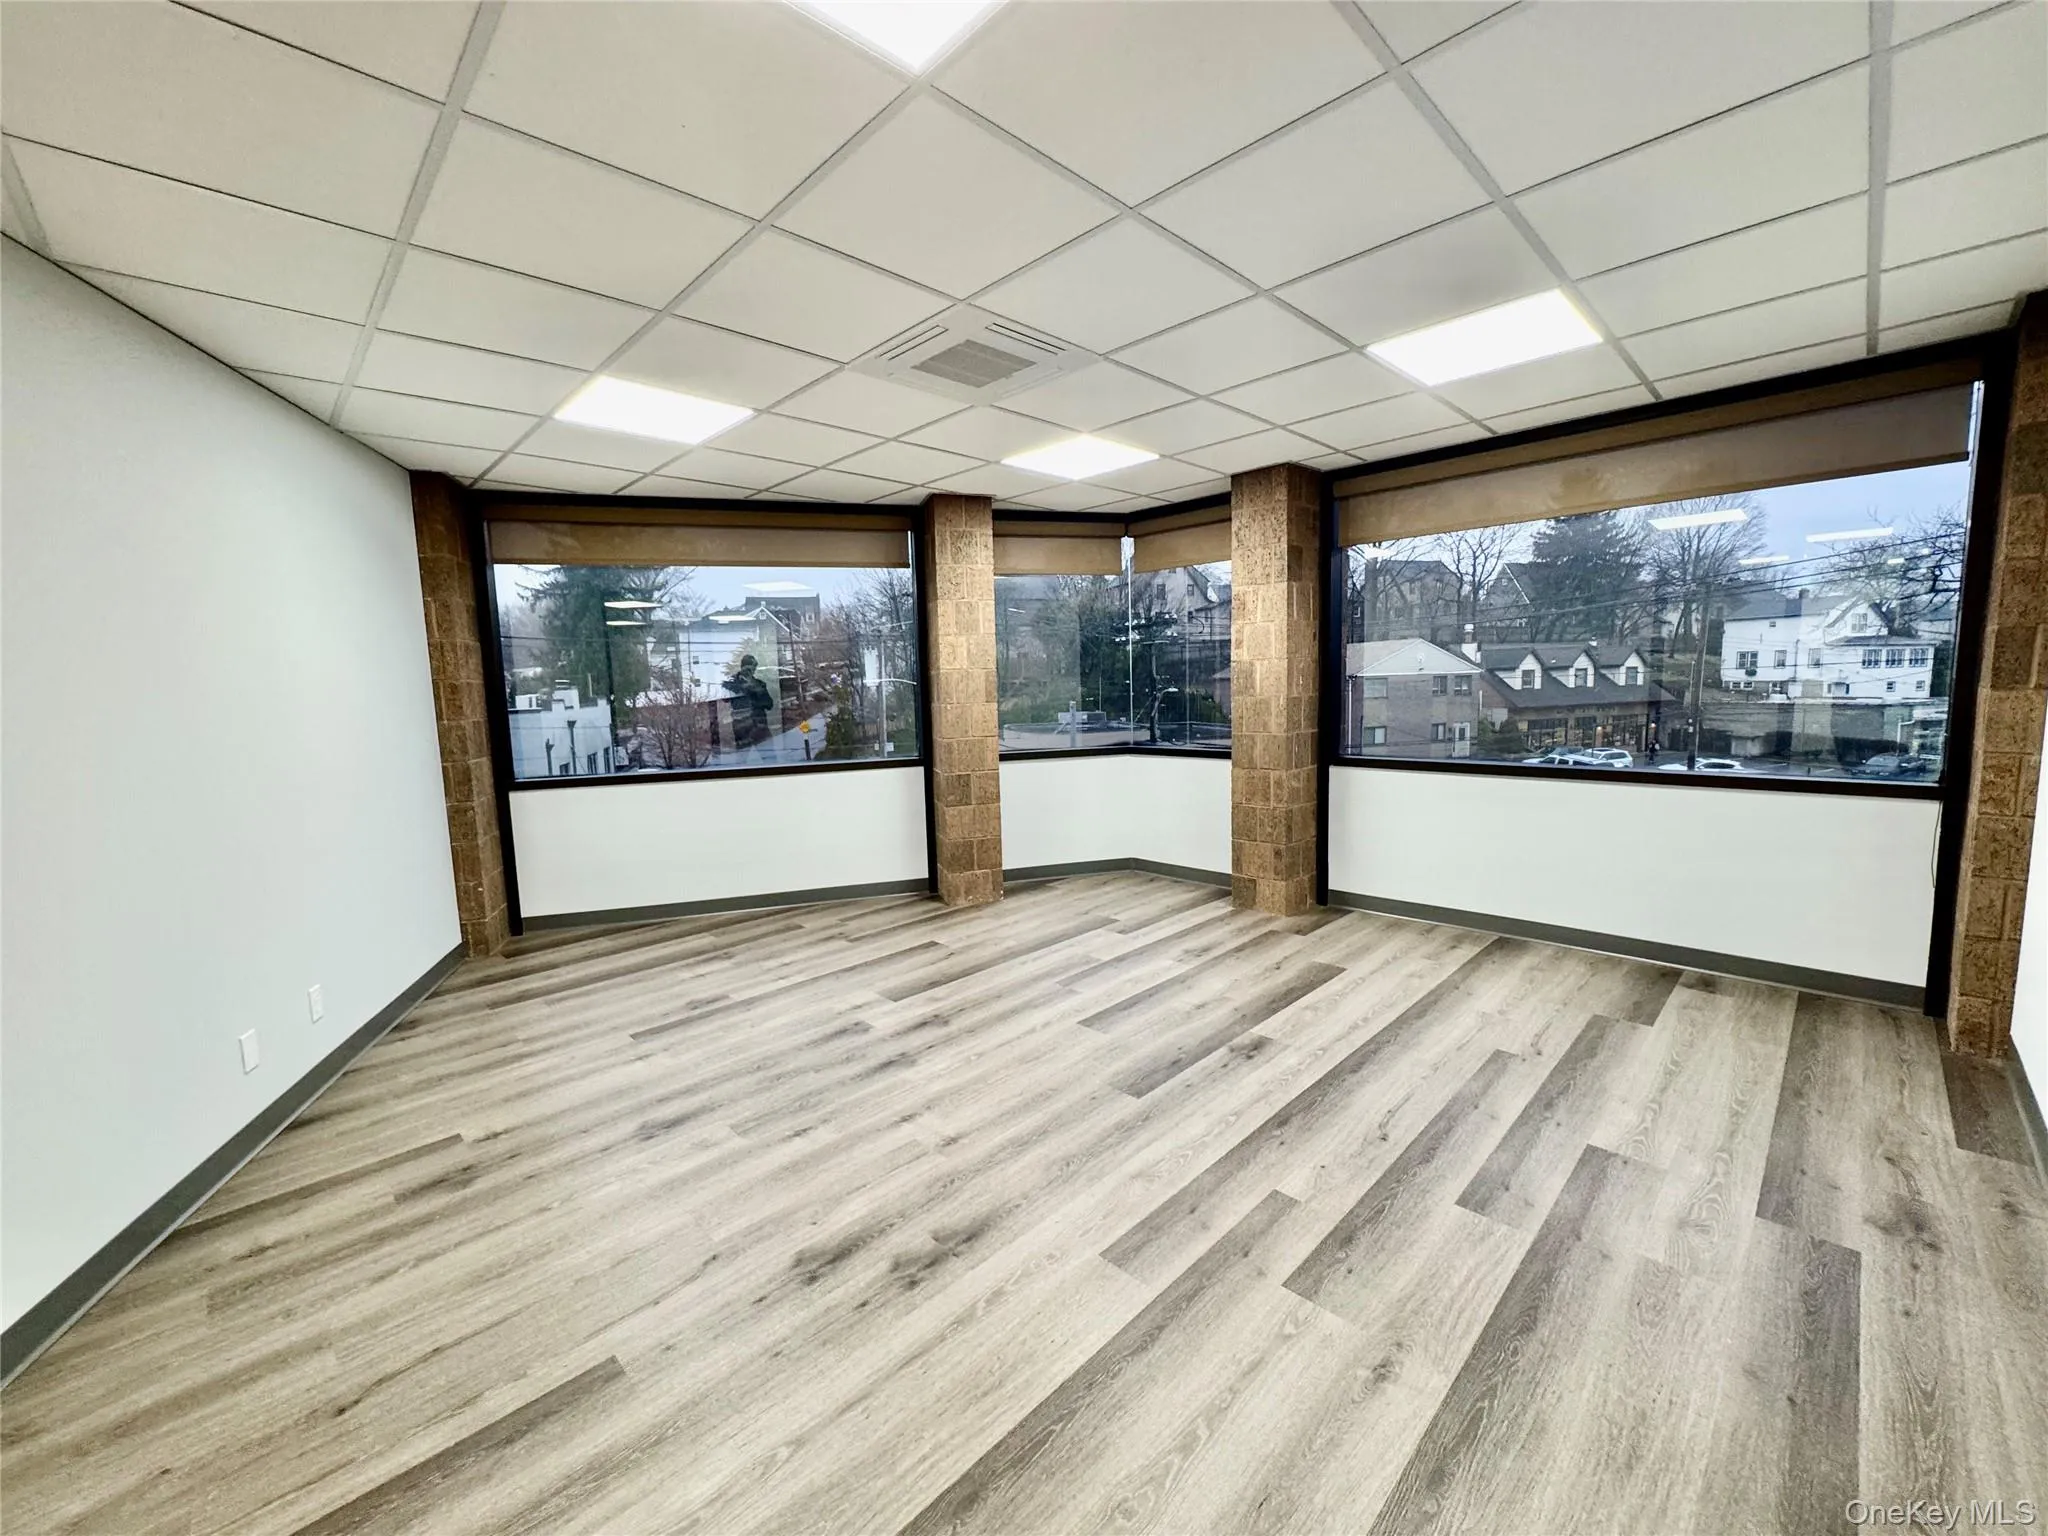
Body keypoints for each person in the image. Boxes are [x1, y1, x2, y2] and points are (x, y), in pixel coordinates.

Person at [726, 654, 774, 747]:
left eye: (752, 669)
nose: (751, 672)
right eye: (747, 669)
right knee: (742, 759)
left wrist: (755, 687)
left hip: (760, 727)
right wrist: (739, 683)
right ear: (742, 668)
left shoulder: (759, 684)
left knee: (769, 756)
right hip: (742, 729)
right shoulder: (731, 684)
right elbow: (725, 700)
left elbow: (769, 704)